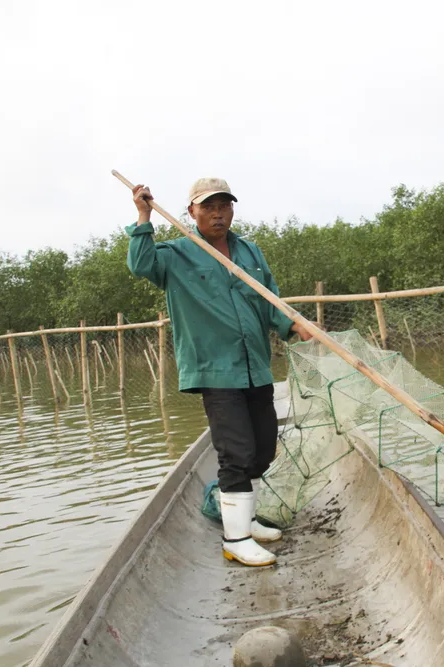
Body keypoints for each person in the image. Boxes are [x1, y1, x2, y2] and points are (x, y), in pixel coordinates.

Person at [126, 177, 313, 567]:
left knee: (263, 448)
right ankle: (235, 539)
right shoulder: (177, 253)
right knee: (236, 452)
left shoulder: (249, 251)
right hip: (215, 369)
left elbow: (269, 299)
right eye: (208, 207)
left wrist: (293, 324)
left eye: (224, 206)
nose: (218, 214)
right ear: (191, 212)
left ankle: (249, 520)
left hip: (255, 365)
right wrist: (143, 216)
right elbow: (140, 264)